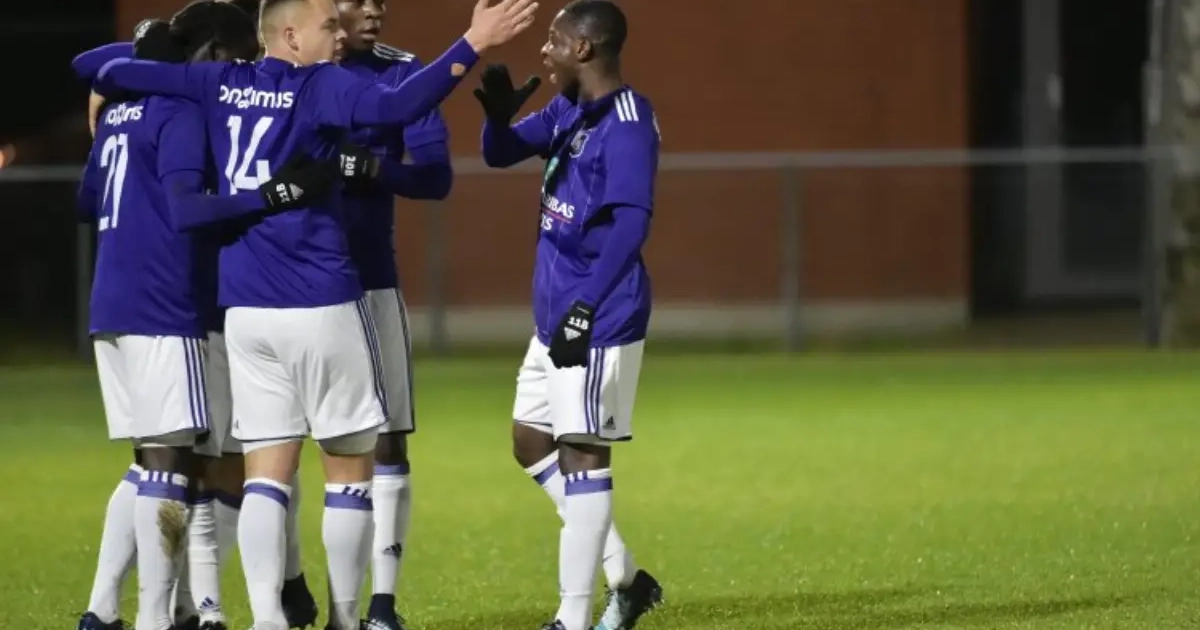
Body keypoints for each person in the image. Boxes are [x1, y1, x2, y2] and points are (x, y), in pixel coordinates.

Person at [92, 1, 537, 629]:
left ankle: (268, 619)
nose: (339, 34)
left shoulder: (219, 82)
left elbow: (111, 70)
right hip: (322, 299)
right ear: (291, 35)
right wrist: (472, 42)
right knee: (350, 469)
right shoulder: (322, 85)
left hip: (246, 311)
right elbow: (396, 107)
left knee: (265, 475)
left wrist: (112, 87)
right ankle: (347, 619)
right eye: (329, 25)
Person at [74, 4, 264, 630]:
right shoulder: (180, 110)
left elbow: (86, 201)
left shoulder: (119, 110)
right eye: (240, 57)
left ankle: (103, 609)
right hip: (166, 302)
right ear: (213, 52)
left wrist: (115, 83)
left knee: (150, 460)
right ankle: (156, 619)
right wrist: (263, 199)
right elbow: (185, 210)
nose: (241, 71)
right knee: (170, 465)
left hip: (113, 301)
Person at [475, 2, 663, 629]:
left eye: (553, 40)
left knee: (583, 456)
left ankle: (573, 617)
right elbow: (500, 154)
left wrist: (587, 304)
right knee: (531, 441)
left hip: (598, 317)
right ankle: (627, 577)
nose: (544, 50)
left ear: (584, 48)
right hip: (555, 316)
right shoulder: (567, 109)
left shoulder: (628, 124)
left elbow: (632, 223)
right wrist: (496, 120)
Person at [334, 2, 453, 628]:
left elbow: (436, 178)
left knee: (385, 437)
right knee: (268, 447)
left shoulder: (404, 72)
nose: (375, 9)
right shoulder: (272, 64)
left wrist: (375, 168)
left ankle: (381, 604)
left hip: (370, 279)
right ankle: (277, 600)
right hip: (273, 288)